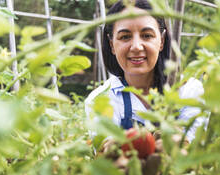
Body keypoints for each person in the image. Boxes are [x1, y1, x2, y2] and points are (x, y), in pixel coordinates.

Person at [85, 0, 205, 153]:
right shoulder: (99, 100)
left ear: (161, 41)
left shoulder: (188, 90)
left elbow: (195, 152)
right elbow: (109, 167)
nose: (136, 46)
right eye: (125, 37)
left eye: (147, 35)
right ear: (111, 45)